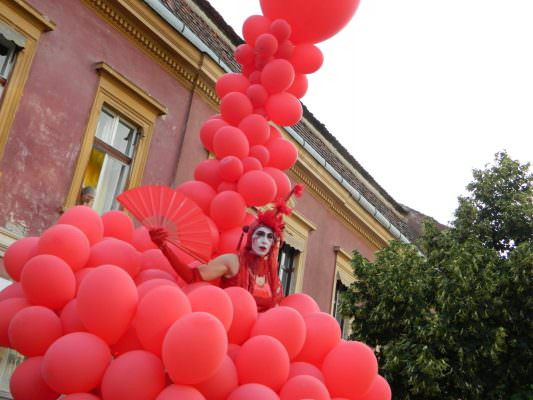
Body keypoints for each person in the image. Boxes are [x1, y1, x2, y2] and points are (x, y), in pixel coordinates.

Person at [150, 206, 287, 312]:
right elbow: (192, 276)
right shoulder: (233, 262)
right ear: (251, 238)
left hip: (259, 340)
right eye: (260, 234)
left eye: (270, 237)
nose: (264, 241)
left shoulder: (272, 275)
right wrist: (164, 247)